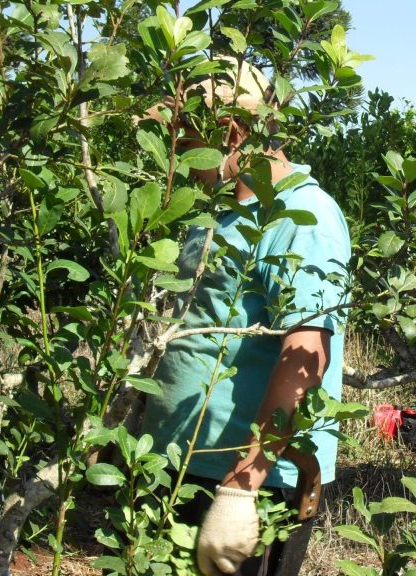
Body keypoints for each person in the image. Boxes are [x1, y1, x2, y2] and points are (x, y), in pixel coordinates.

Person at [138, 57, 350, 575]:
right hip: (179, 467)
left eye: (187, 143)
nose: (181, 157)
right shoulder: (219, 212)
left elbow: (305, 358)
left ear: (231, 133)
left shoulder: (305, 220)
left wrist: (240, 488)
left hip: (246, 482)